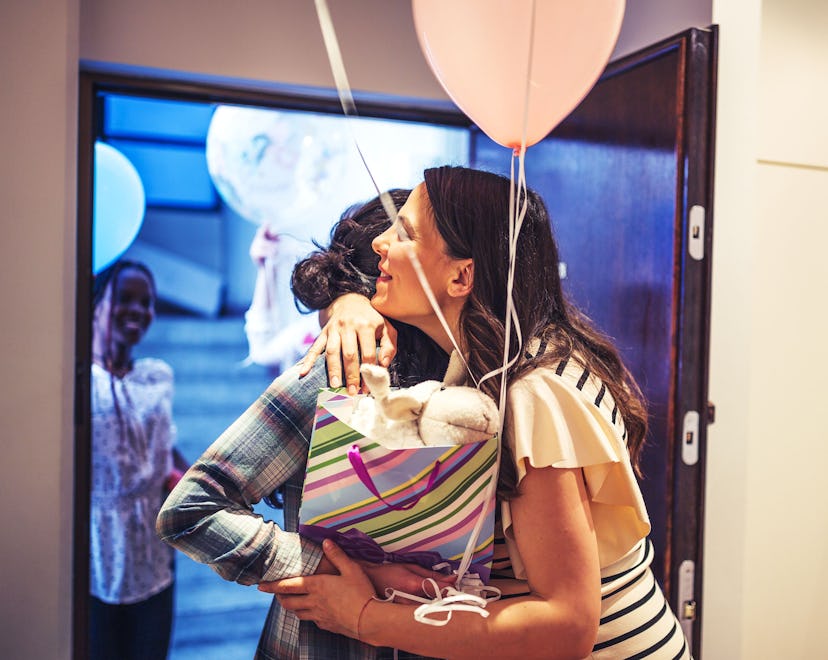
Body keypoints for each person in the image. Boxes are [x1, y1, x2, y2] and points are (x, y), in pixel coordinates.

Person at [265, 167, 691, 659]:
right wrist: (348, 301)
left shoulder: (532, 392)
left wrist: (364, 617)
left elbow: (567, 626)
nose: (382, 242)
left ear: (461, 275)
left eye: (404, 232)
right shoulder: (496, 364)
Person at [156, 191, 452, 659]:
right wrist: (342, 570)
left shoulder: (471, 373)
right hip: (322, 645)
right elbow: (189, 511)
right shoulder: (339, 373)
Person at [89, 259, 188, 660]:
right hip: (96, 552)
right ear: (95, 304)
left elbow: (166, 451)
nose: (137, 310)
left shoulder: (157, 377)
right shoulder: (78, 381)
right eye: (124, 298)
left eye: (146, 302)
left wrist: (191, 482)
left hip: (153, 550)